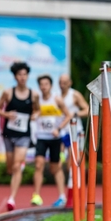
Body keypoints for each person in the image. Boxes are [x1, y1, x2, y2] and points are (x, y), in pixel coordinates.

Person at [0, 62, 40, 211]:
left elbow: (37, 110)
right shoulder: (8, 93)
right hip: (9, 133)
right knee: (10, 167)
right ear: (15, 76)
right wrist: (7, 114)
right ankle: (18, 166)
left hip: (24, 135)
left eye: (24, 74)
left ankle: (12, 198)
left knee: (16, 165)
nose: (22, 77)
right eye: (19, 74)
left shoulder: (34, 94)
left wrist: (34, 115)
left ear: (27, 76)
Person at [33, 74, 72, 207]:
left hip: (55, 138)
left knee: (55, 167)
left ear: (50, 86)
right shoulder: (37, 100)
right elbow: (34, 112)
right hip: (41, 137)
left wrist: (59, 128)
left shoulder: (57, 100)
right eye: (41, 84)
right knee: (39, 164)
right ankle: (36, 195)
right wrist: (34, 115)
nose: (43, 87)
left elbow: (68, 116)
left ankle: (62, 196)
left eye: (46, 84)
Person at [58, 74, 89, 206]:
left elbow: (87, 109)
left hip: (75, 132)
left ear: (70, 83)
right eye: (60, 82)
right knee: (61, 163)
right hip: (61, 132)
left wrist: (75, 114)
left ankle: (74, 195)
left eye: (65, 82)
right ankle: (65, 195)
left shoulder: (75, 95)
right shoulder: (56, 96)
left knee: (74, 162)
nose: (62, 84)